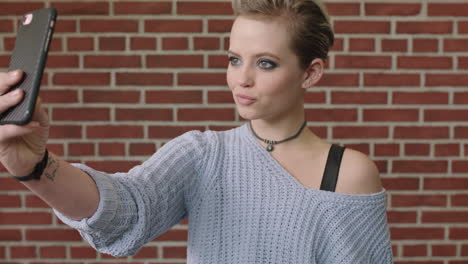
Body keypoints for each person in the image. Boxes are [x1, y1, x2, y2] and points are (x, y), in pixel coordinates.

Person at [0, 0, 393, 263]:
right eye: (235, 59)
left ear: (311, 73)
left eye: (267, 63)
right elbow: (124, 212)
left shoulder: (350, 173)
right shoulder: (204, 154)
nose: (243, 79)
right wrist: (35, 166)